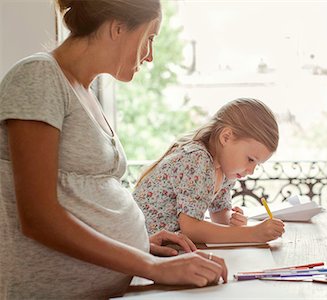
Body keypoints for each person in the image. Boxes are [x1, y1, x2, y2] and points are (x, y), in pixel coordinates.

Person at [0, 0, 227, 298]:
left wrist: (140, 244)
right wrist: (150, 265)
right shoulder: (39, 77)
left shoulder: (84, 90)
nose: (150, 56)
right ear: (118, 28)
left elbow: (79, 197)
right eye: (150, 38)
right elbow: (39, 219)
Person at [133, 98, 285, 243]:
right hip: (140, 243)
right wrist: (252, 234)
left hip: (165, 244)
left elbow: (219, 213)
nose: (251, 170)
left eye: (257, 164)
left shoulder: (226, 172)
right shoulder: (197, 159)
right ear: (226, 137)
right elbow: (191, 228)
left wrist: (232, 221)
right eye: (250, 159)